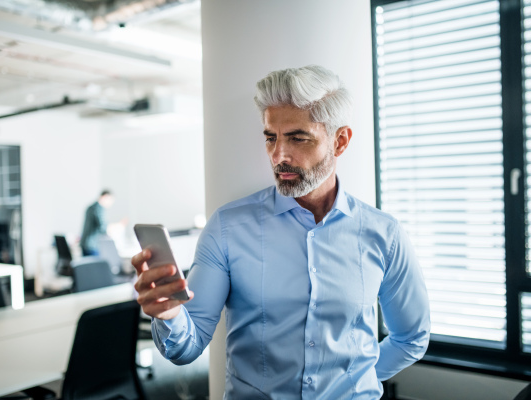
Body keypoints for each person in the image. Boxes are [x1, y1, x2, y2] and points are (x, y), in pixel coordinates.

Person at [132, 65, 430, 399]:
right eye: (271, 138)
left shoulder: (383, 233)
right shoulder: (227, 228)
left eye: (298, 138)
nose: (279, 156)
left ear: (340, 141)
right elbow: (185, 348)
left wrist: (354, 381)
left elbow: (411, 337)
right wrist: (169, 313)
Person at [80, 190, 114, 256]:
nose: (110, 204)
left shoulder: (91, 207)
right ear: (105, 197)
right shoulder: (99, 208)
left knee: (87, 265)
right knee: (94, 265)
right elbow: (103, 228)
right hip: (92, 245)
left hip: (85, 243)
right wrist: (117, 226)